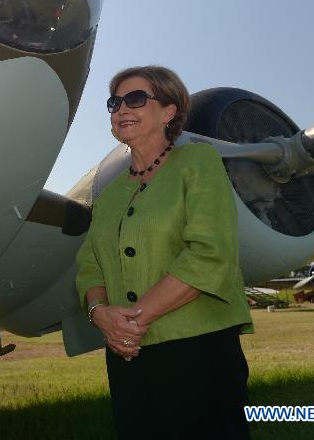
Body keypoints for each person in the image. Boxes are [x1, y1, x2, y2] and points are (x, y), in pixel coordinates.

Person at [75, 65, 253, 439]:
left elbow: (208, 255)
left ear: (169, 111)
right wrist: (99, 314)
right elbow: (89, 267)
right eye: (115, 102)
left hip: (198, 352)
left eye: (136, 99)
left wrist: (130, 323)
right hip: (126, 355)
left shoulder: (199, 163)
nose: (121, 109)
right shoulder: (107, 198)